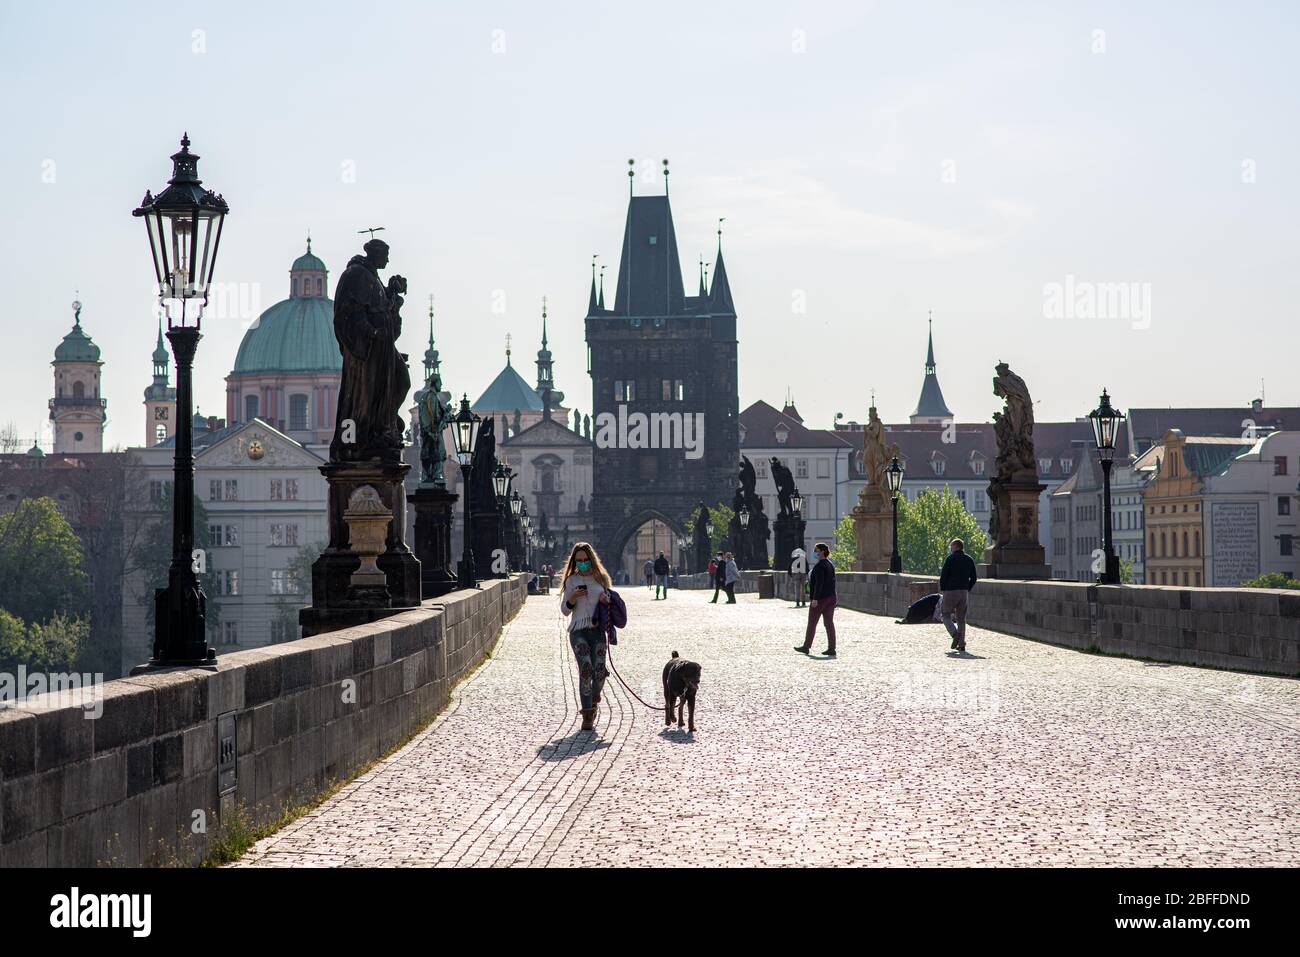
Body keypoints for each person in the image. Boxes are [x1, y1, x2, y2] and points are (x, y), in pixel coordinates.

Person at [560, 542, 614, 731]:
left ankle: (594, 696)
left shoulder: (602, 579)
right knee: (586, 669)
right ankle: (588, 714)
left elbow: (610, 602)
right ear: (575, 561)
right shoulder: (571, 581)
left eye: (585, 560)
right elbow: (565, 611)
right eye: (579, 560)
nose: (582, 563)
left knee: (599, 672)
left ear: (592, 560)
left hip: (597, 631)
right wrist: (572, 598)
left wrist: (605, 601)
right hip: (578, 632)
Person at [795, 543, 837, 656]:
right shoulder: (830, 564)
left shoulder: (820, 566)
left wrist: (815, 599)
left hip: (821, 599)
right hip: (831, 597)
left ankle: (806, 646)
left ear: (822, 551)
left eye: (816, 550)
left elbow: (819, 584)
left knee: (812, 623)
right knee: (829, 623)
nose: (814, 552)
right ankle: (832, 648)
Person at [939, 537, 978, 653]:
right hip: (964, 592)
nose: (951, 549)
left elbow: (944, 576)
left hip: (951, 591)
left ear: (955, 547)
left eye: (951, 547)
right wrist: (967, 588)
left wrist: (943, 589)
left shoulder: (950, 559)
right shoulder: (969, 559)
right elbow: (974, 578)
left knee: (945, 614)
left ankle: (955, 634)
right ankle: (961, 644)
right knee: (961, 619)